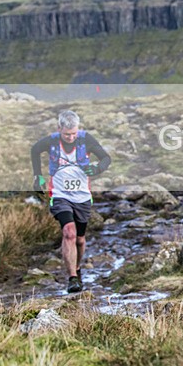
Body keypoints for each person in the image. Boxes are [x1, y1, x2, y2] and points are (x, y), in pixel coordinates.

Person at [31, 110, 111, 293]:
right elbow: (35, 150)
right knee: (69, 232)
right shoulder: (51, 141)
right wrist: (37, 176)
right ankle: (72, 279)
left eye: (73, 133)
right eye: (67, 134)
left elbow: (107, 158)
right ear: (59, 129)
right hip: (59, 195)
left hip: (82, 196)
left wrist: (98, 168)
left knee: (80, 240)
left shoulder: (86, 140)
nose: (70, 137)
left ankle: (77, 267)